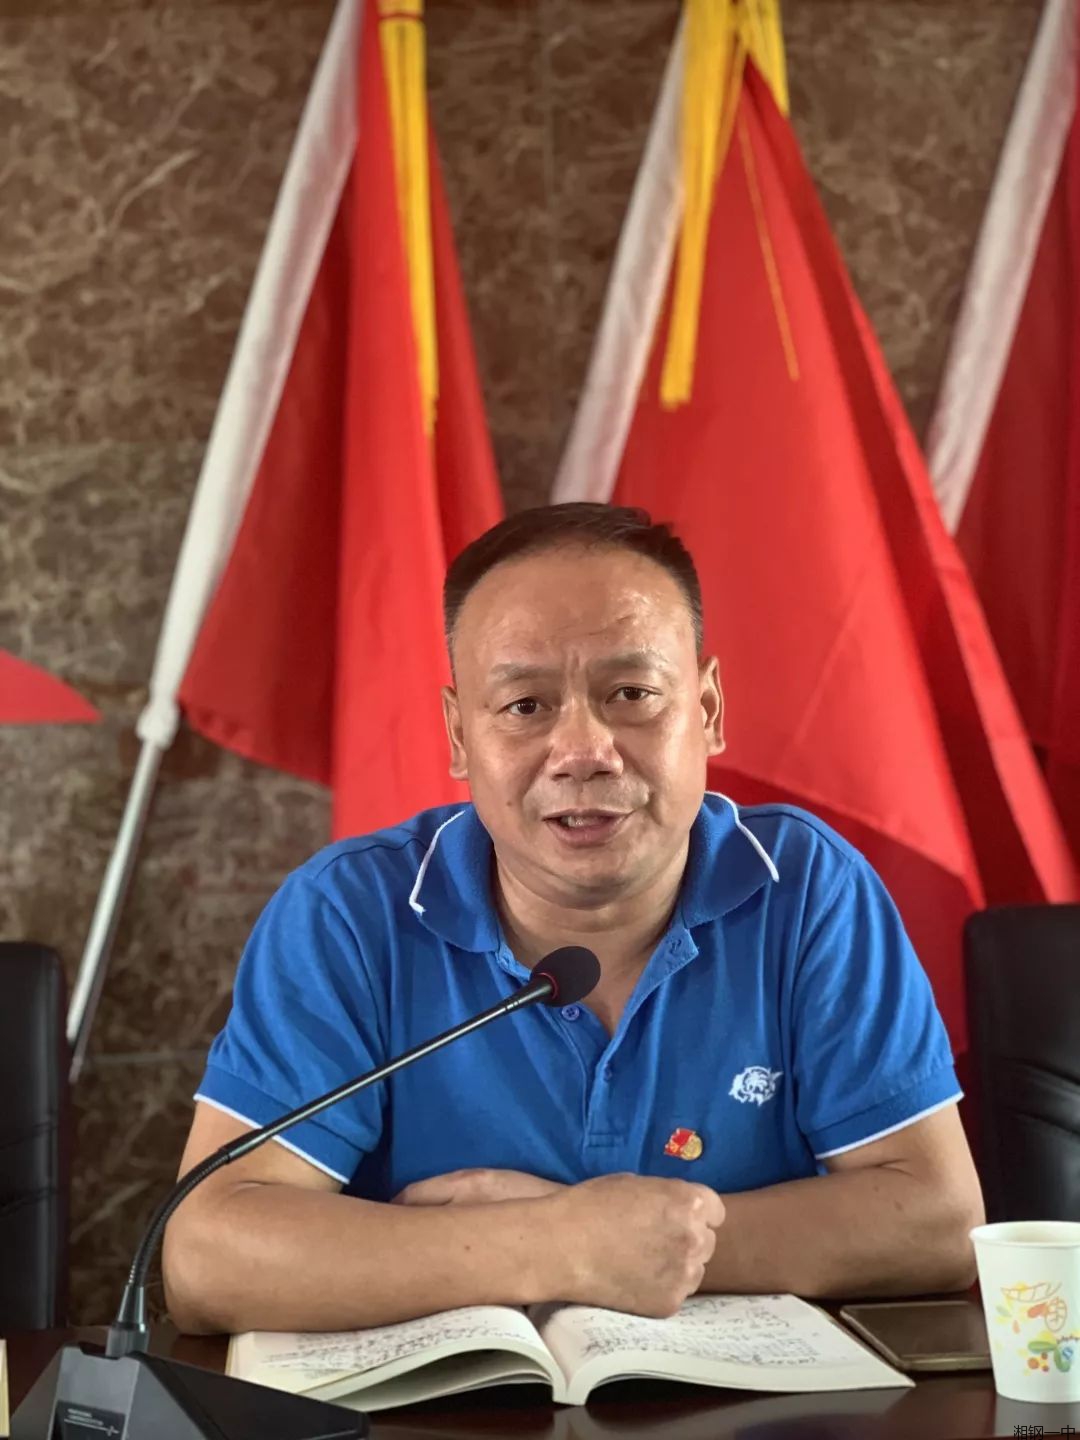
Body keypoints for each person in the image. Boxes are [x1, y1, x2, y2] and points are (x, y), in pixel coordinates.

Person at [163, 503, 985, 1336]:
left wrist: (611, 1243)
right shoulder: (349, 913)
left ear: (707, 710)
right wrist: (554, 1245)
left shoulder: (805, 889)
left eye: (631, 694)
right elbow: (206, 1259)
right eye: (525, 706)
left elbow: (938, 1219)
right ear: (459, 735)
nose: (584, 751)